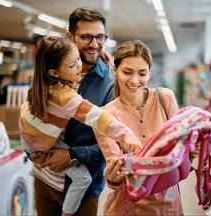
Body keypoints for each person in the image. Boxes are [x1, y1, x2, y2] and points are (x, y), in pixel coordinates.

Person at [20, 36, 139, 216]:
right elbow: (100, 118)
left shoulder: (41, 84)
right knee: (83, 178)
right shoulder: (66, 98)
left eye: (78, 59)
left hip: (30, 144)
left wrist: (102, 59)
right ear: (54, 72)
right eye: (72, 64)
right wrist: (127, 136)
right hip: (41, 152)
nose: (79, 66)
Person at [29, 8, 117, 216]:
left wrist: (71, 155)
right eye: (86, 37)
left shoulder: (110, 84)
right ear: (70, 36)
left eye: (100, 37)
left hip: (84, 189)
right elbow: (34, 107)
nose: (95, 44)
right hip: (45, 180)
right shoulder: (51, 67)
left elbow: (114, 143)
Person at [95, 40, 183, 215]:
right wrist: (113, 178)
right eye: (127, 72)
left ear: (149, 73)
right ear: (115, 71)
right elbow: (116, 174)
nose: (135, 80)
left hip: (168, 208)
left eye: (142, 73)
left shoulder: (165, 99)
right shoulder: (104, 117)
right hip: (127, 209)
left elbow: (179, 152)